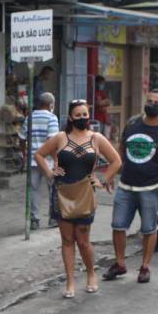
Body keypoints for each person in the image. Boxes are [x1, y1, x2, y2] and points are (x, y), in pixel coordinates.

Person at [33, 99, 121, 297]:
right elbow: (39, 154)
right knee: (66, 240)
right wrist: (49, 173)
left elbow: (116, 161)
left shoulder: (96, 138)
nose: (82, 118)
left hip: (85, 194)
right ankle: (70, 282)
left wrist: (103, 180)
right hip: (61, 192)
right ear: (70, 118)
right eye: (78, 115)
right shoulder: (60, 137)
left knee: (83, 240)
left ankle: (91, 274)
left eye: (85, 115)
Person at [101, 89, 158, 284]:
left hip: (151, 188)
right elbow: (120, 151)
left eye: (156, 102)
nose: (151, 104)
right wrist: (111, 175)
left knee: (149, 229)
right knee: (118, 226)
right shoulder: (132, 123)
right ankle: (120, 263)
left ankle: (145, 267)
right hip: (126, 186)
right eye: (149, 100)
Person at [29, 91, 61, 230]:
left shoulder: (29, 117)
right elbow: (52, 142)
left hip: (32, 160)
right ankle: (53, 218)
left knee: (34, 190)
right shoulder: (52, 118)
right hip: (47, 161)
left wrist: (25, 156)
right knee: (53, 189)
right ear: (51, 105)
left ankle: (34, 220)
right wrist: (56, 160)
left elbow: (23, 138)